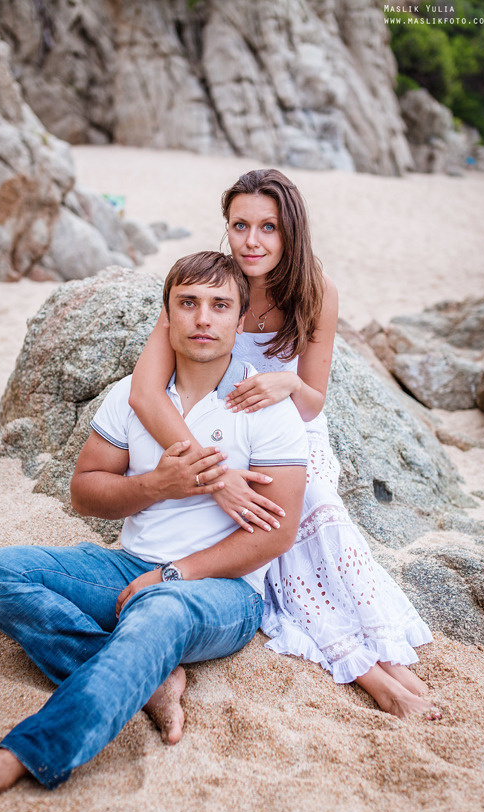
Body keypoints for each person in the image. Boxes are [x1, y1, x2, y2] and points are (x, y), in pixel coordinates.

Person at [0, 251, 308, 812]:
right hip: (129, 565)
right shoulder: (132, 396)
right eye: (188, 303)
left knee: (159, 609)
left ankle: (10, 763)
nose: (203, 318)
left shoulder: (264, 408)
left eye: (220, 306)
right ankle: (150, 678)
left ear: (240, 320)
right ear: (166, 315)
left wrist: (172, 576)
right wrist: (156, 487)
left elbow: (276, 534)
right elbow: (85, 491)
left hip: (223, 590)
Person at [128, 169, 442, 721]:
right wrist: (213, 475)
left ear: (290, 229)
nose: (251, 241)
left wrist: (288, 384)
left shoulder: (315, 290)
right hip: (220, 429)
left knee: (314, 500)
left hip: (291, 423)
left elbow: (313, 400)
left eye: (267, 227)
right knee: (267, 516)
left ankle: (386, 651)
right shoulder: (213, 284)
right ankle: (372, 675)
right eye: (240, 225)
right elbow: (144, 393)